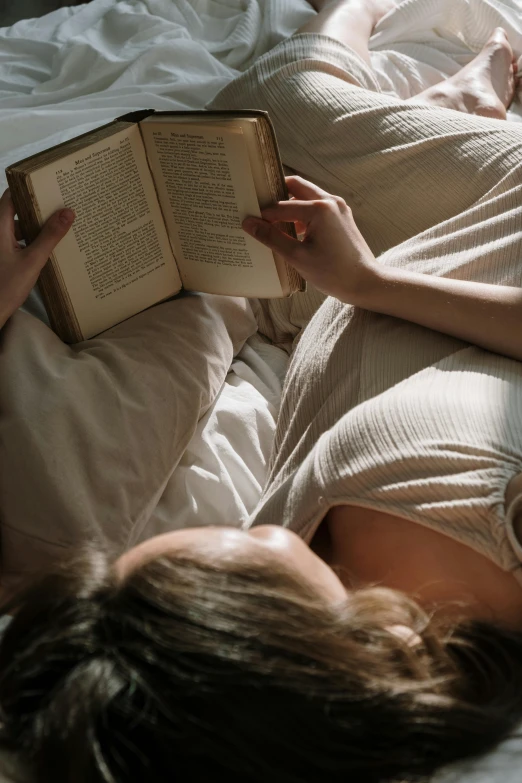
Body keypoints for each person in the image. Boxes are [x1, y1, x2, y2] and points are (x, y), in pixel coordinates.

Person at [2, 0, 522, 780]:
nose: (250, 530)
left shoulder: (352, 600)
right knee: (275, 117)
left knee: (252, 147)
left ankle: (436, 108)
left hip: (379, 284)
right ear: (269, 650)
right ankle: (432, 88)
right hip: (474, 238)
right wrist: (373, 282)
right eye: (242, 549)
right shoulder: (492, 549)